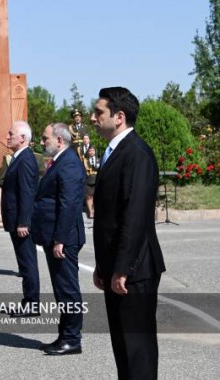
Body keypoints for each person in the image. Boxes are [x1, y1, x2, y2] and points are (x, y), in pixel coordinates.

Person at [91, 87, 166, 380]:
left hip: (135, 270)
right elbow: (111, 218)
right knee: (123, 347)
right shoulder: (115, 152)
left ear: (119, 117)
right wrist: (104, 266)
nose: (93, 117)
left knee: (138, 350)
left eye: (99, 112)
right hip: (117, 269)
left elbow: (134, 217)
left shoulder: (137, 154)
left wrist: (122, 269)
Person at [32, 123, 86, 355]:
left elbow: (69, 205)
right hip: (55, 235)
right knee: (61, 289)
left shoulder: (70, 163)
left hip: (64, 237)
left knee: (68, 289)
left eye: (46, 139)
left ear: (59, 140)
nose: (42, 142)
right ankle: (64, 335)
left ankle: (72, 339)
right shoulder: (60, 160)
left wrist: (60, 239)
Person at [0, 120, 40, 317]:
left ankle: (31, 303)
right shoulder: (18, 157)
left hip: (21, 223)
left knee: (27, 262)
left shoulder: (25, 159)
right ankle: (29, 301)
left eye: (11, 133)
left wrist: (24, 221)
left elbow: (27, 192)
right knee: (24, 262)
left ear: (23, 138)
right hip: (16, 220)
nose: (7, 137)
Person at [83, 146, 99, 219]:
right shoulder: (85, 161)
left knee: (96, 196)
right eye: (90, 151)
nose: (91, 152)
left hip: (96, 180)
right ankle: (91, 212)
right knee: (89, 197)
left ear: (95, 152)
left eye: (92, 151)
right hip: (88, 180)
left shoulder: (99, 159)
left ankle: (94, 210)